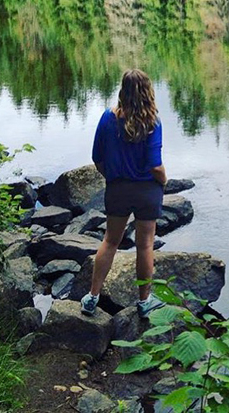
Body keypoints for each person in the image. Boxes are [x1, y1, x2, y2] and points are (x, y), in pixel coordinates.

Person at [80, 69, 167, 318]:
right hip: (147, 190)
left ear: (122, 90)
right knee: (145, 245)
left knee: (110, 241)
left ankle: (92, 297)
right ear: (147, 91)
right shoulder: (153, 122)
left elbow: (97, 158)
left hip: (118, 188)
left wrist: (113, 178)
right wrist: (164, 181)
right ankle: (144, 302)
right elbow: (155, 165)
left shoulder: (108, 118)